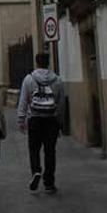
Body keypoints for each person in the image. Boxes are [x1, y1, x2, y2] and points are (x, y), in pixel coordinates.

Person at [18, 52, 64, 194]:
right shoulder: (57, 80)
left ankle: (36, 171)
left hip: (35, 120)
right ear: (48, 63)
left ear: (36, 62)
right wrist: (60, 123)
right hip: (51, 120)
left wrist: (21, 119)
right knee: (50, 151)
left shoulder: (29, 79)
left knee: (34, 149)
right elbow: (61, 104)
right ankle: (49, 183)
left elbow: (23, 101)